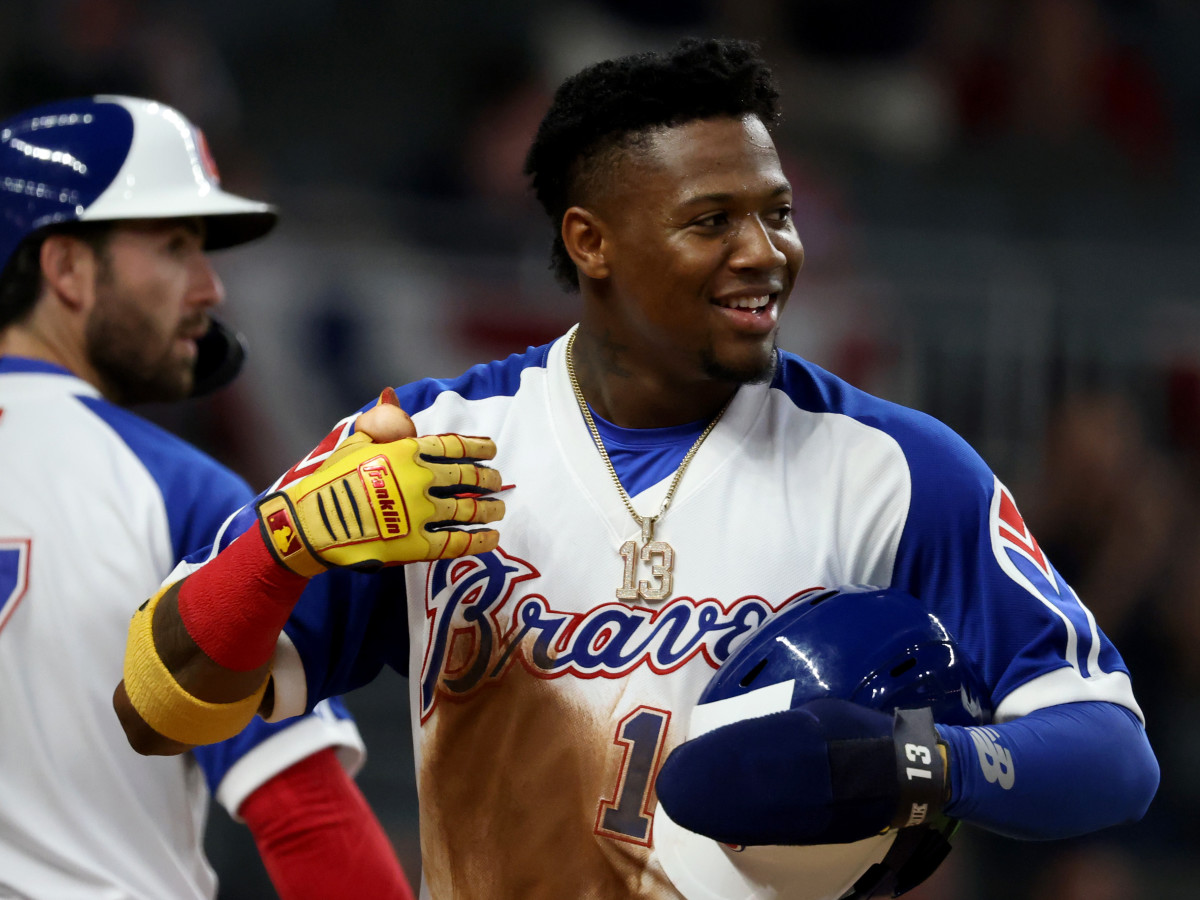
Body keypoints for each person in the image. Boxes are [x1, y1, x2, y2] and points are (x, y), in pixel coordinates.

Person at [113, 40, 1159, 899]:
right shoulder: (438, 441)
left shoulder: (894, 468)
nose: (767, 251)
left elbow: (1112, 748)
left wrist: (922, 763)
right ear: (593, 241)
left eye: (778, 211)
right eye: (713, 220)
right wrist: (282, 546)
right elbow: (155, 704)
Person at [0, 95, 414, 900]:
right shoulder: (175, 491)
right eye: (176, 245)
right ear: (67, 269)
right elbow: (305, 819)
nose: (210, 285)